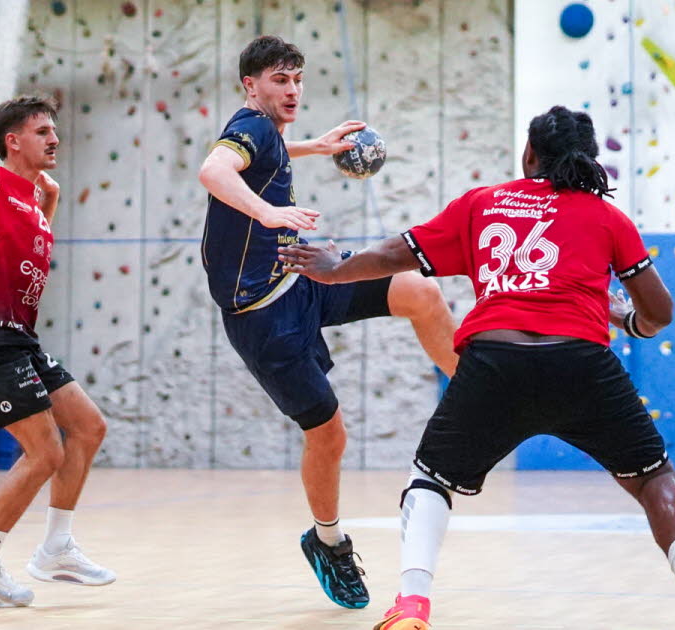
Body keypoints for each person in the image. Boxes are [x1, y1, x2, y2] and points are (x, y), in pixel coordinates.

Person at [278, 105, 675, 630]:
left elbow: (395, 255)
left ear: (529, 154)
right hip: (581, 363)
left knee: (431, 481)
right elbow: (660, 312)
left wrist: (336, 269)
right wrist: (626, 320)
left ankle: (411, 606)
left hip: (494, 362)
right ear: (589, 159)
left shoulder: (485, 203)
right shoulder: (606, 217)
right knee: (653, 477)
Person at [198, 36, 459, 610]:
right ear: (251, 87)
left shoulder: (271, 135)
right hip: (265, 320)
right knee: (329, 434)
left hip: (302, 278)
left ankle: (469, 390)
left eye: (296, 79)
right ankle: (327, 540)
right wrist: (269, 213)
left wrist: (313, 147)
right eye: (278, 81)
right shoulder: (252, 127)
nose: (291, 90)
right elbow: (214, 170)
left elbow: (268, 157)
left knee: (419, 287)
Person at [0, 93, 115, 607]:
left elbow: (24, 250)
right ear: (13, 141)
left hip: (21, 338)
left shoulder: (32, 201)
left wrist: (47, 209)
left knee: (88, 425)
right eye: (42, 131)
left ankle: (56, 549)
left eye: (53, 130)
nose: (55, 137)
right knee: (45, 452)